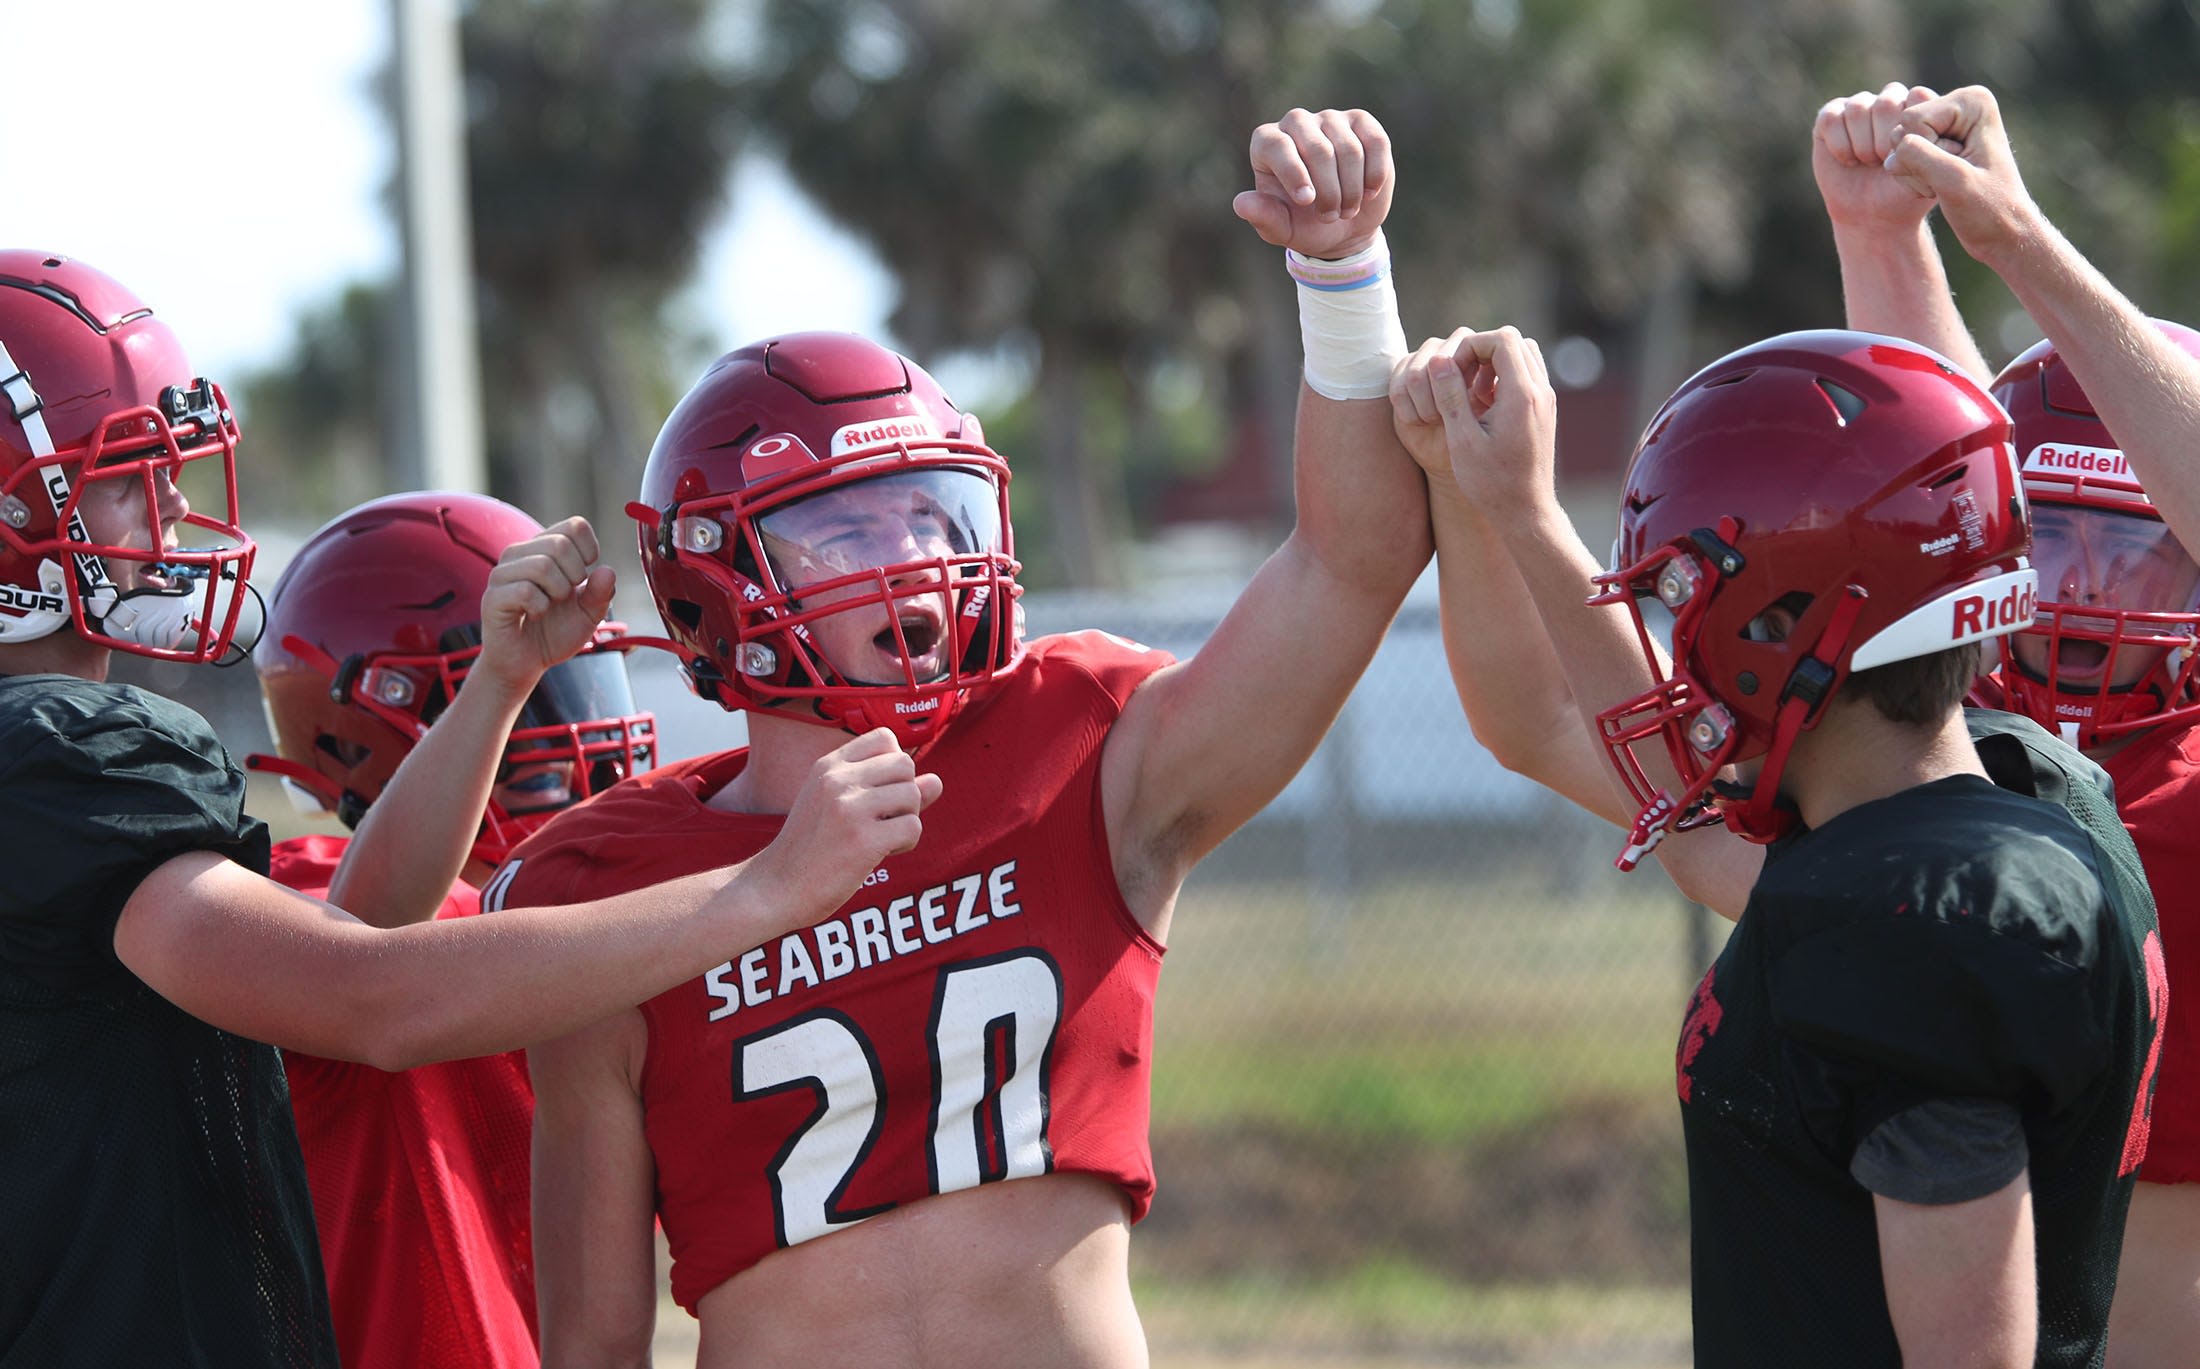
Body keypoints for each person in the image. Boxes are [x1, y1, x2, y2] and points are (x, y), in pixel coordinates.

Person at [497, 106, 1430, 1367]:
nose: (916, 568)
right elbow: (593, 1344)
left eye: (931, 518)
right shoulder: (610, 890)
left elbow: (1351, 566)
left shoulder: (1079, 752)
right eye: (846, 533)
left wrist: (1343, 277)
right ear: (712, 579)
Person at [0, 251, 939, 1365]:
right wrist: (769, 885)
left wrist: (492, 685)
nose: (168, 509)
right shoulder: (62, 757)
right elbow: (374, 994)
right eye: (122, 472)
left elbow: (365, 945)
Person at [1396, 322, 2157, 1364]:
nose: (1673, 647)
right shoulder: (2008, 797)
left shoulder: (1920, 924)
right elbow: (1545, 722)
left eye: (1679, 598)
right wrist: (1504, 505)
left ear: (1783, 626)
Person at [1815, 82, 2200, 1365]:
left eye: (2133, 555)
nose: (2088, 601)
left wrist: (2017, 242)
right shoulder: (1951, 750)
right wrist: (1880, 240)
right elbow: (1953, 479)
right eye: (2061, 548)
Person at [246, 491, 665, 1369]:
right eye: (536, 702)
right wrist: (497, 685)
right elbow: (366, 934)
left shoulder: (563, 901)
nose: (581, 734)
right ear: (365, 731)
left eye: (576, 679)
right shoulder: (301, 891)